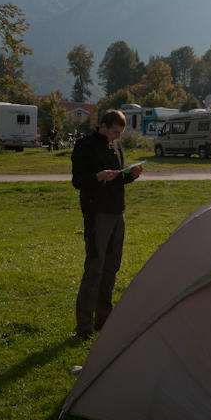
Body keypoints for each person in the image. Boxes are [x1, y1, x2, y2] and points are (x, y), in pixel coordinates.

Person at [71, 109, 143, 339]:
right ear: (103, 125)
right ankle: (84, 326)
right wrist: (97, 177)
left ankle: (104, 318)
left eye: (120, 133)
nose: (117, 137)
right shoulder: (85, 145)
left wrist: (130, 175)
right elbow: (78, 181)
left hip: (117, 213)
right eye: (114, 132)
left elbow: (117, 178)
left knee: (111, 268)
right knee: (94, 268)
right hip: (97, 214)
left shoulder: (116, 147)